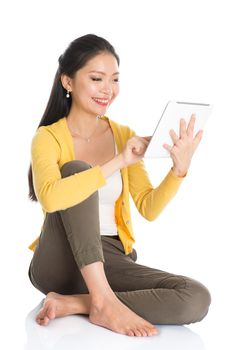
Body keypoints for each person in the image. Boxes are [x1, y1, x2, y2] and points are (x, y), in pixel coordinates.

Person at [27, 33, 211, 338]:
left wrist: (179, 170)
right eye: (97, 78)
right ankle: (102, 300)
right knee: (76, 171)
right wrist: (118, 162)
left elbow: (148, 208)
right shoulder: (48, 137)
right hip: (58, 260)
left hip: (109, 255)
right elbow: (50, 198)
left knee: (195, 297)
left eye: (114, 80)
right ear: (68, 82)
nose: (108, 90)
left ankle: (80, 303)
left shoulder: (123, 135)